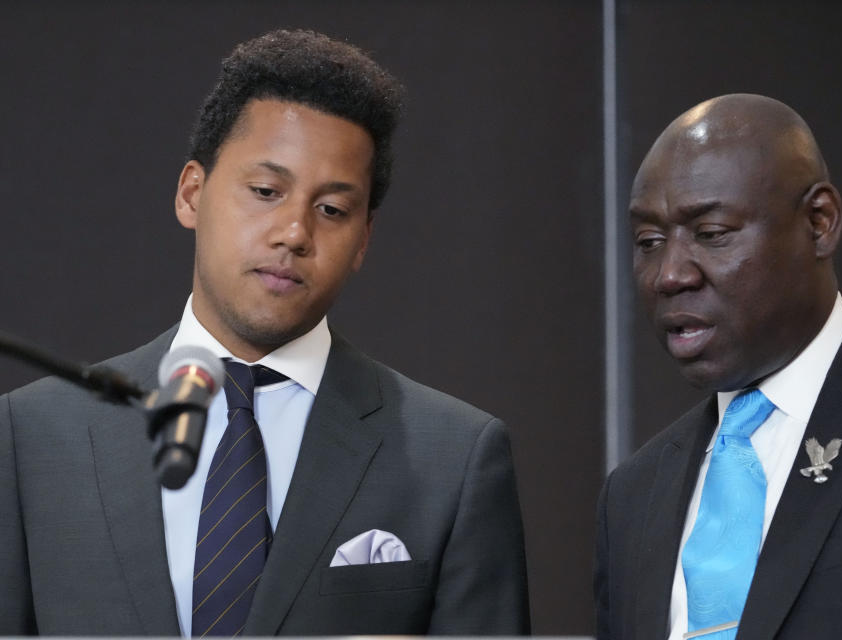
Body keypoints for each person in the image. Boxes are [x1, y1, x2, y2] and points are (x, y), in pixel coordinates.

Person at [0, 29, 529, 636]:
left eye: (331, 209)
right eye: (265, 192)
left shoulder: (454, 458)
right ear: (192, 193)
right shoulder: (33, 437)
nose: (294, 233)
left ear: (364, 240)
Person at [594, 94, 842, 640]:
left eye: (712, 234)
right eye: (648, 242)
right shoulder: (633, 497)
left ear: (819, 222)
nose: (669, 275)